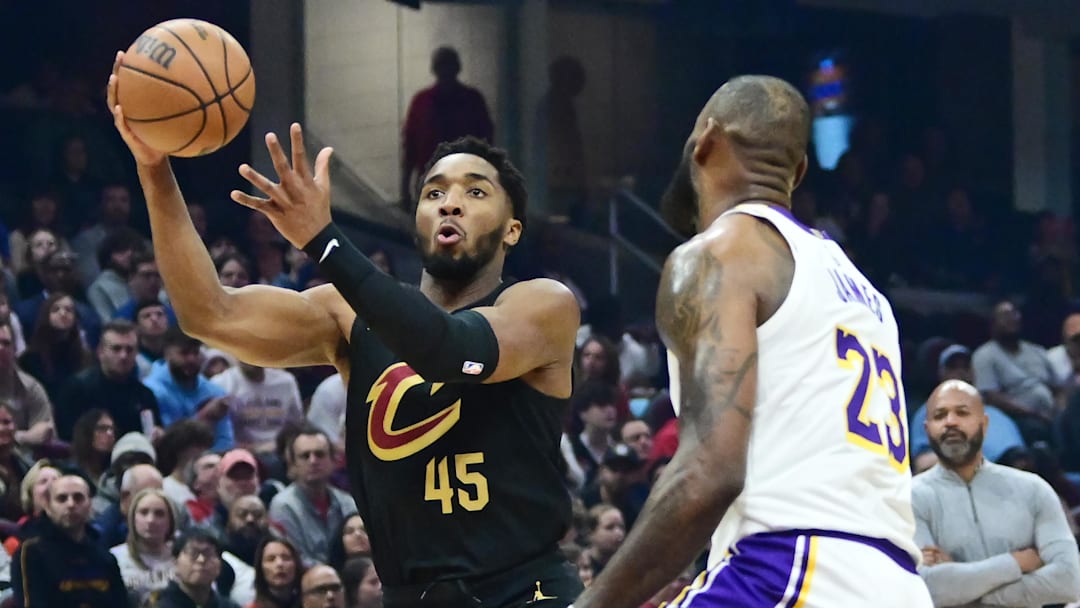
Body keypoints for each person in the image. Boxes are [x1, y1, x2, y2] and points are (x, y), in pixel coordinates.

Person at [110, 52, 582, 608]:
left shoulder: (542, 306)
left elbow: (450, 350)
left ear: (512, 230)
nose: (450, 203)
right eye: (434, 193)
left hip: (525, 592)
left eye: (475, 192)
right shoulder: (346, 314)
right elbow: (208, 314)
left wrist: (323, 238)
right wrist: (155, 168)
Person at [573, 76, 931, 607]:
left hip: (792, 567)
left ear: (705, 139)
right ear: (798, 172)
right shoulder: (863, 290)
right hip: (898, 581)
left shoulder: (720, 254)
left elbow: (708, 473)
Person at [913, 379, 1080, 606]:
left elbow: (1069, 580)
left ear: (984, 424)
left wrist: (971, 592)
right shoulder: (910, 497)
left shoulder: (1033, 489)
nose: (950, 422)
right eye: (940, 415)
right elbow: (927, 588)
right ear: (927, 429)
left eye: (962, 413)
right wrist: (1015, 563)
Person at [11, 467, 129, 607]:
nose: (71, 504)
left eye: (78, 498)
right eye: (62, 499)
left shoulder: (104, 557)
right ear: (48, 507)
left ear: (90, 505)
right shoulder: (31, 552)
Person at [400, 46, 494, 207]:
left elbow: (486, 144)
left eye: (447, 65)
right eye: (442, 65)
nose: (445, 71)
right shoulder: (423, 102)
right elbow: (410, 146)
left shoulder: (470, 100)